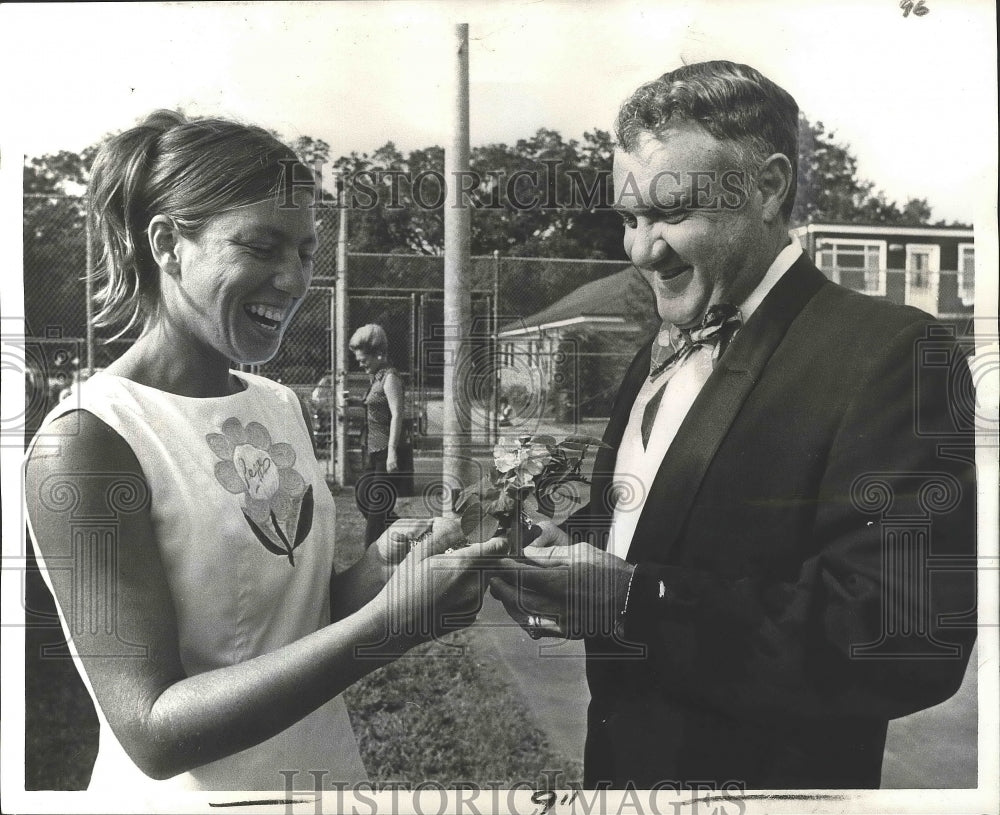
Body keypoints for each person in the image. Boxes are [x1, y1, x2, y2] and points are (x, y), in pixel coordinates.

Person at [490, 61, 977, 790]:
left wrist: (631, 598)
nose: (641, 250)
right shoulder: (653, 351)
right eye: (630, 217)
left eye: (672, 212)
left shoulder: (890, 354)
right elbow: (657, 535)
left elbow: (905, 637)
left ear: (769, 187)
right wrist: (567, 555)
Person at [23, 110, 500, 792]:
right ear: (167, 243)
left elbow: (288, 627)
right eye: (260, 246)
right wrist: (385, 629)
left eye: (305, 251)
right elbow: (152, 730)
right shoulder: (88, 441)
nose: (293, 277)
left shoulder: (277, 405)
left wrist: (377, 576)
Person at [350, 324, 412, 546]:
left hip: (387, 451)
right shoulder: (376, 377)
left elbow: (397, 414)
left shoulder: (390, 378)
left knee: (376, 514)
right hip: (374, 451)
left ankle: (371, 556)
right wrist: (355, 403)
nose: (360, 364)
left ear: (378, 353)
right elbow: (377, 407)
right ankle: (413, 535)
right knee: (363, 497)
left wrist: (392, 453)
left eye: (363, 359)